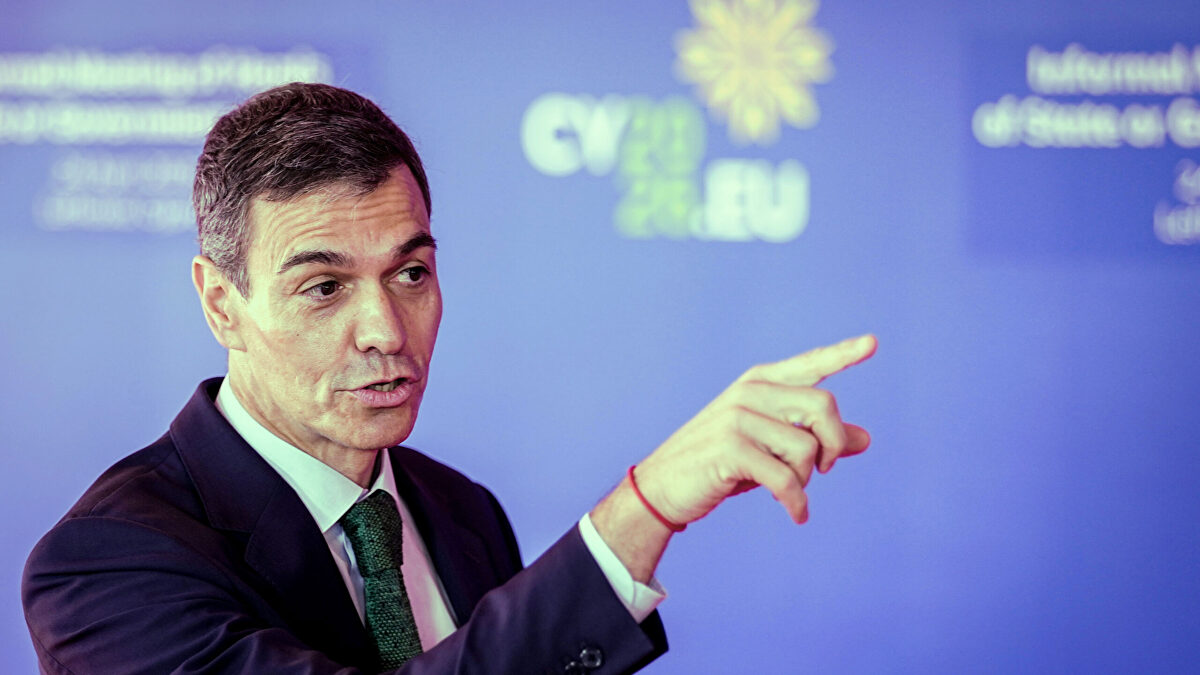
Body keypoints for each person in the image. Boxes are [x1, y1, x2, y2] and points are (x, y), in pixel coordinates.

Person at [22, 82, 877, 674]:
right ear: (222, 304)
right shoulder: (104, 564)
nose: (386, 331)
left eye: (410, 274)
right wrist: (640, 511)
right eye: (324, 287)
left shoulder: (463, 512)